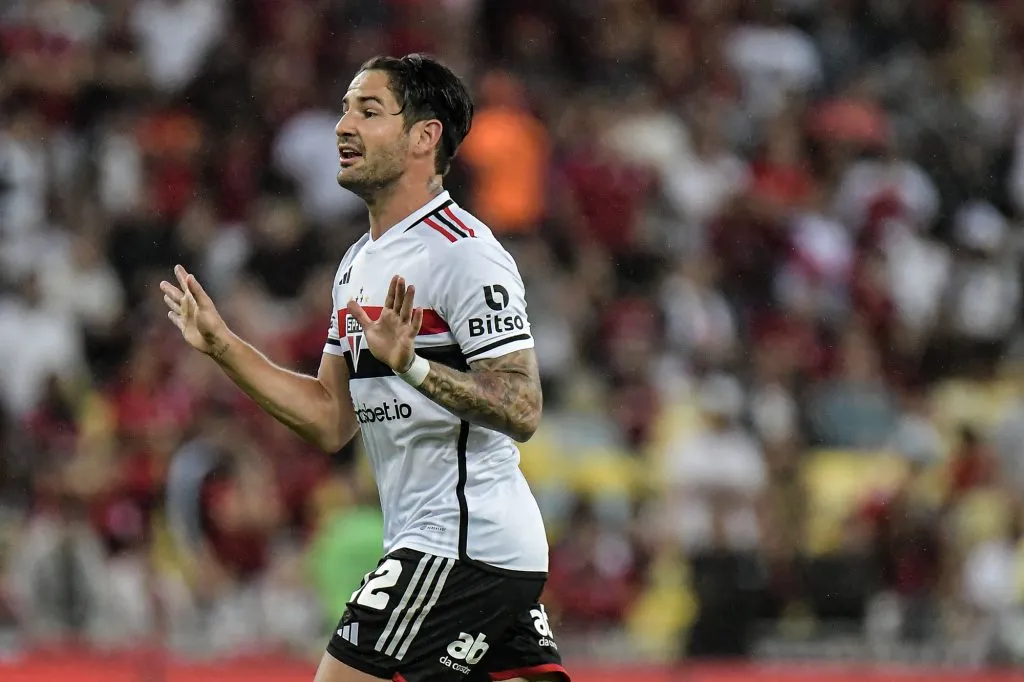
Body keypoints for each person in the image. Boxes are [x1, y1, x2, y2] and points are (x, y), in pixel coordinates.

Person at [159, 54, 569, 682]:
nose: (342, 126)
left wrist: (414, 367)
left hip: (461, 542)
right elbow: (330, 420)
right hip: (467, 547)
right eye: (346, 108)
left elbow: (522, 408)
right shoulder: (356, 264)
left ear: (424, 137)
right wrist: (224, 348)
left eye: (369, 111)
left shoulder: (465, 255)